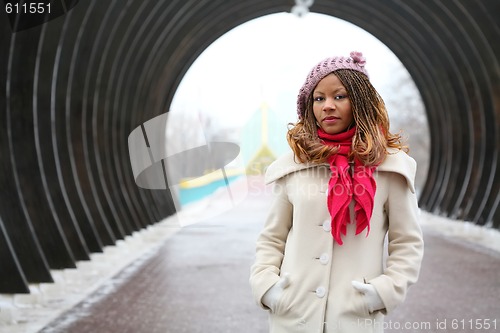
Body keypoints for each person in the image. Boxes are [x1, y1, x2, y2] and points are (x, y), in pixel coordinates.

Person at [249, 51, 424, 333]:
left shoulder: (390, 168)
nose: (327, 106)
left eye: (339, 96)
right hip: (293, 316)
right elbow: (272, 237)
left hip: (355, 317)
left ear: (361, 101)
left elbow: (407, 243)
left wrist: (384, 291)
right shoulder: (294, 166)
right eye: (319, 98)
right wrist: (267, 286)